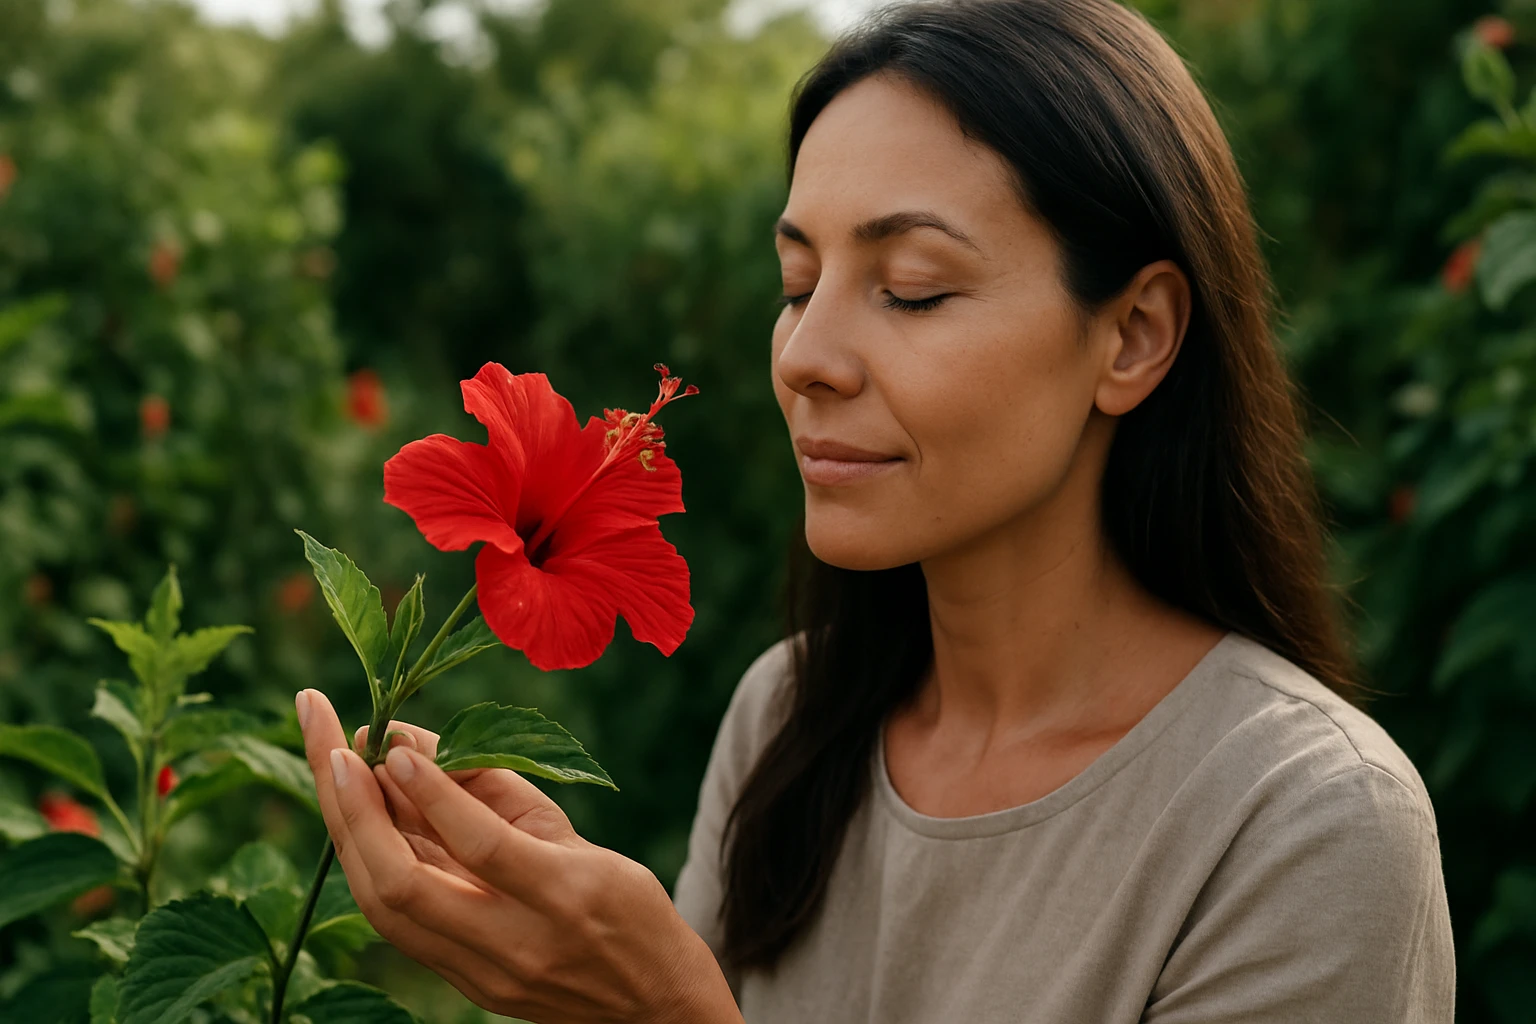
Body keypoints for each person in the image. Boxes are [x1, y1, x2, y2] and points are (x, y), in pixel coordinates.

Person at [294, 0, 1457, 1020]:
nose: (805, 355)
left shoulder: (1304, 822)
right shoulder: (789, 717)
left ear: (1134, 336)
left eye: (911, 290)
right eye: (797, 283)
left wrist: (664, 1011)